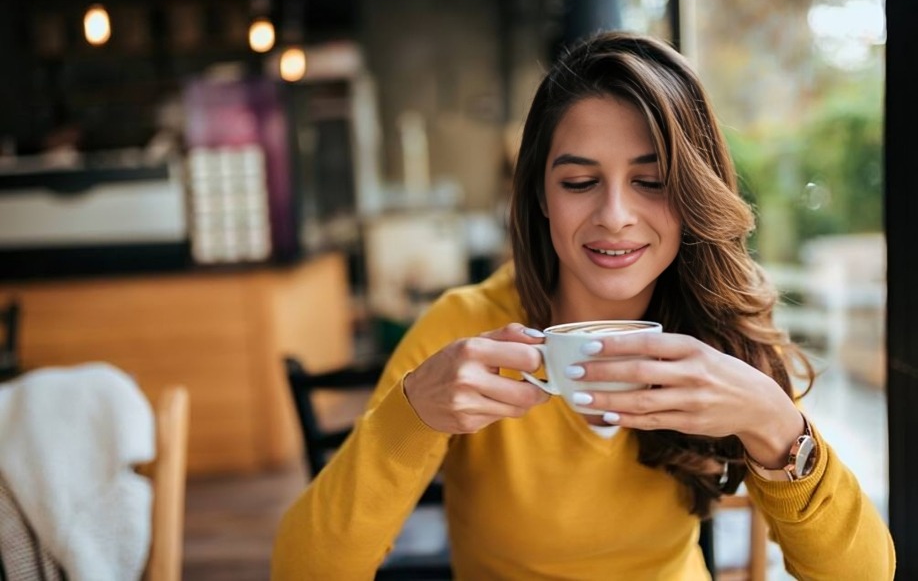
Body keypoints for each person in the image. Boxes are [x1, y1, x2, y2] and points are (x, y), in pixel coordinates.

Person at [272, 31, 895, 579]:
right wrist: (411, 416)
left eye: (651, 182)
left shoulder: (715, 328)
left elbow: (865, 575)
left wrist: (774, 420)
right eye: (578, 182)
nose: (615, 216)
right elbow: (306, 570)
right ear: (542, 195)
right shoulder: (466, 327)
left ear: (692, 192)